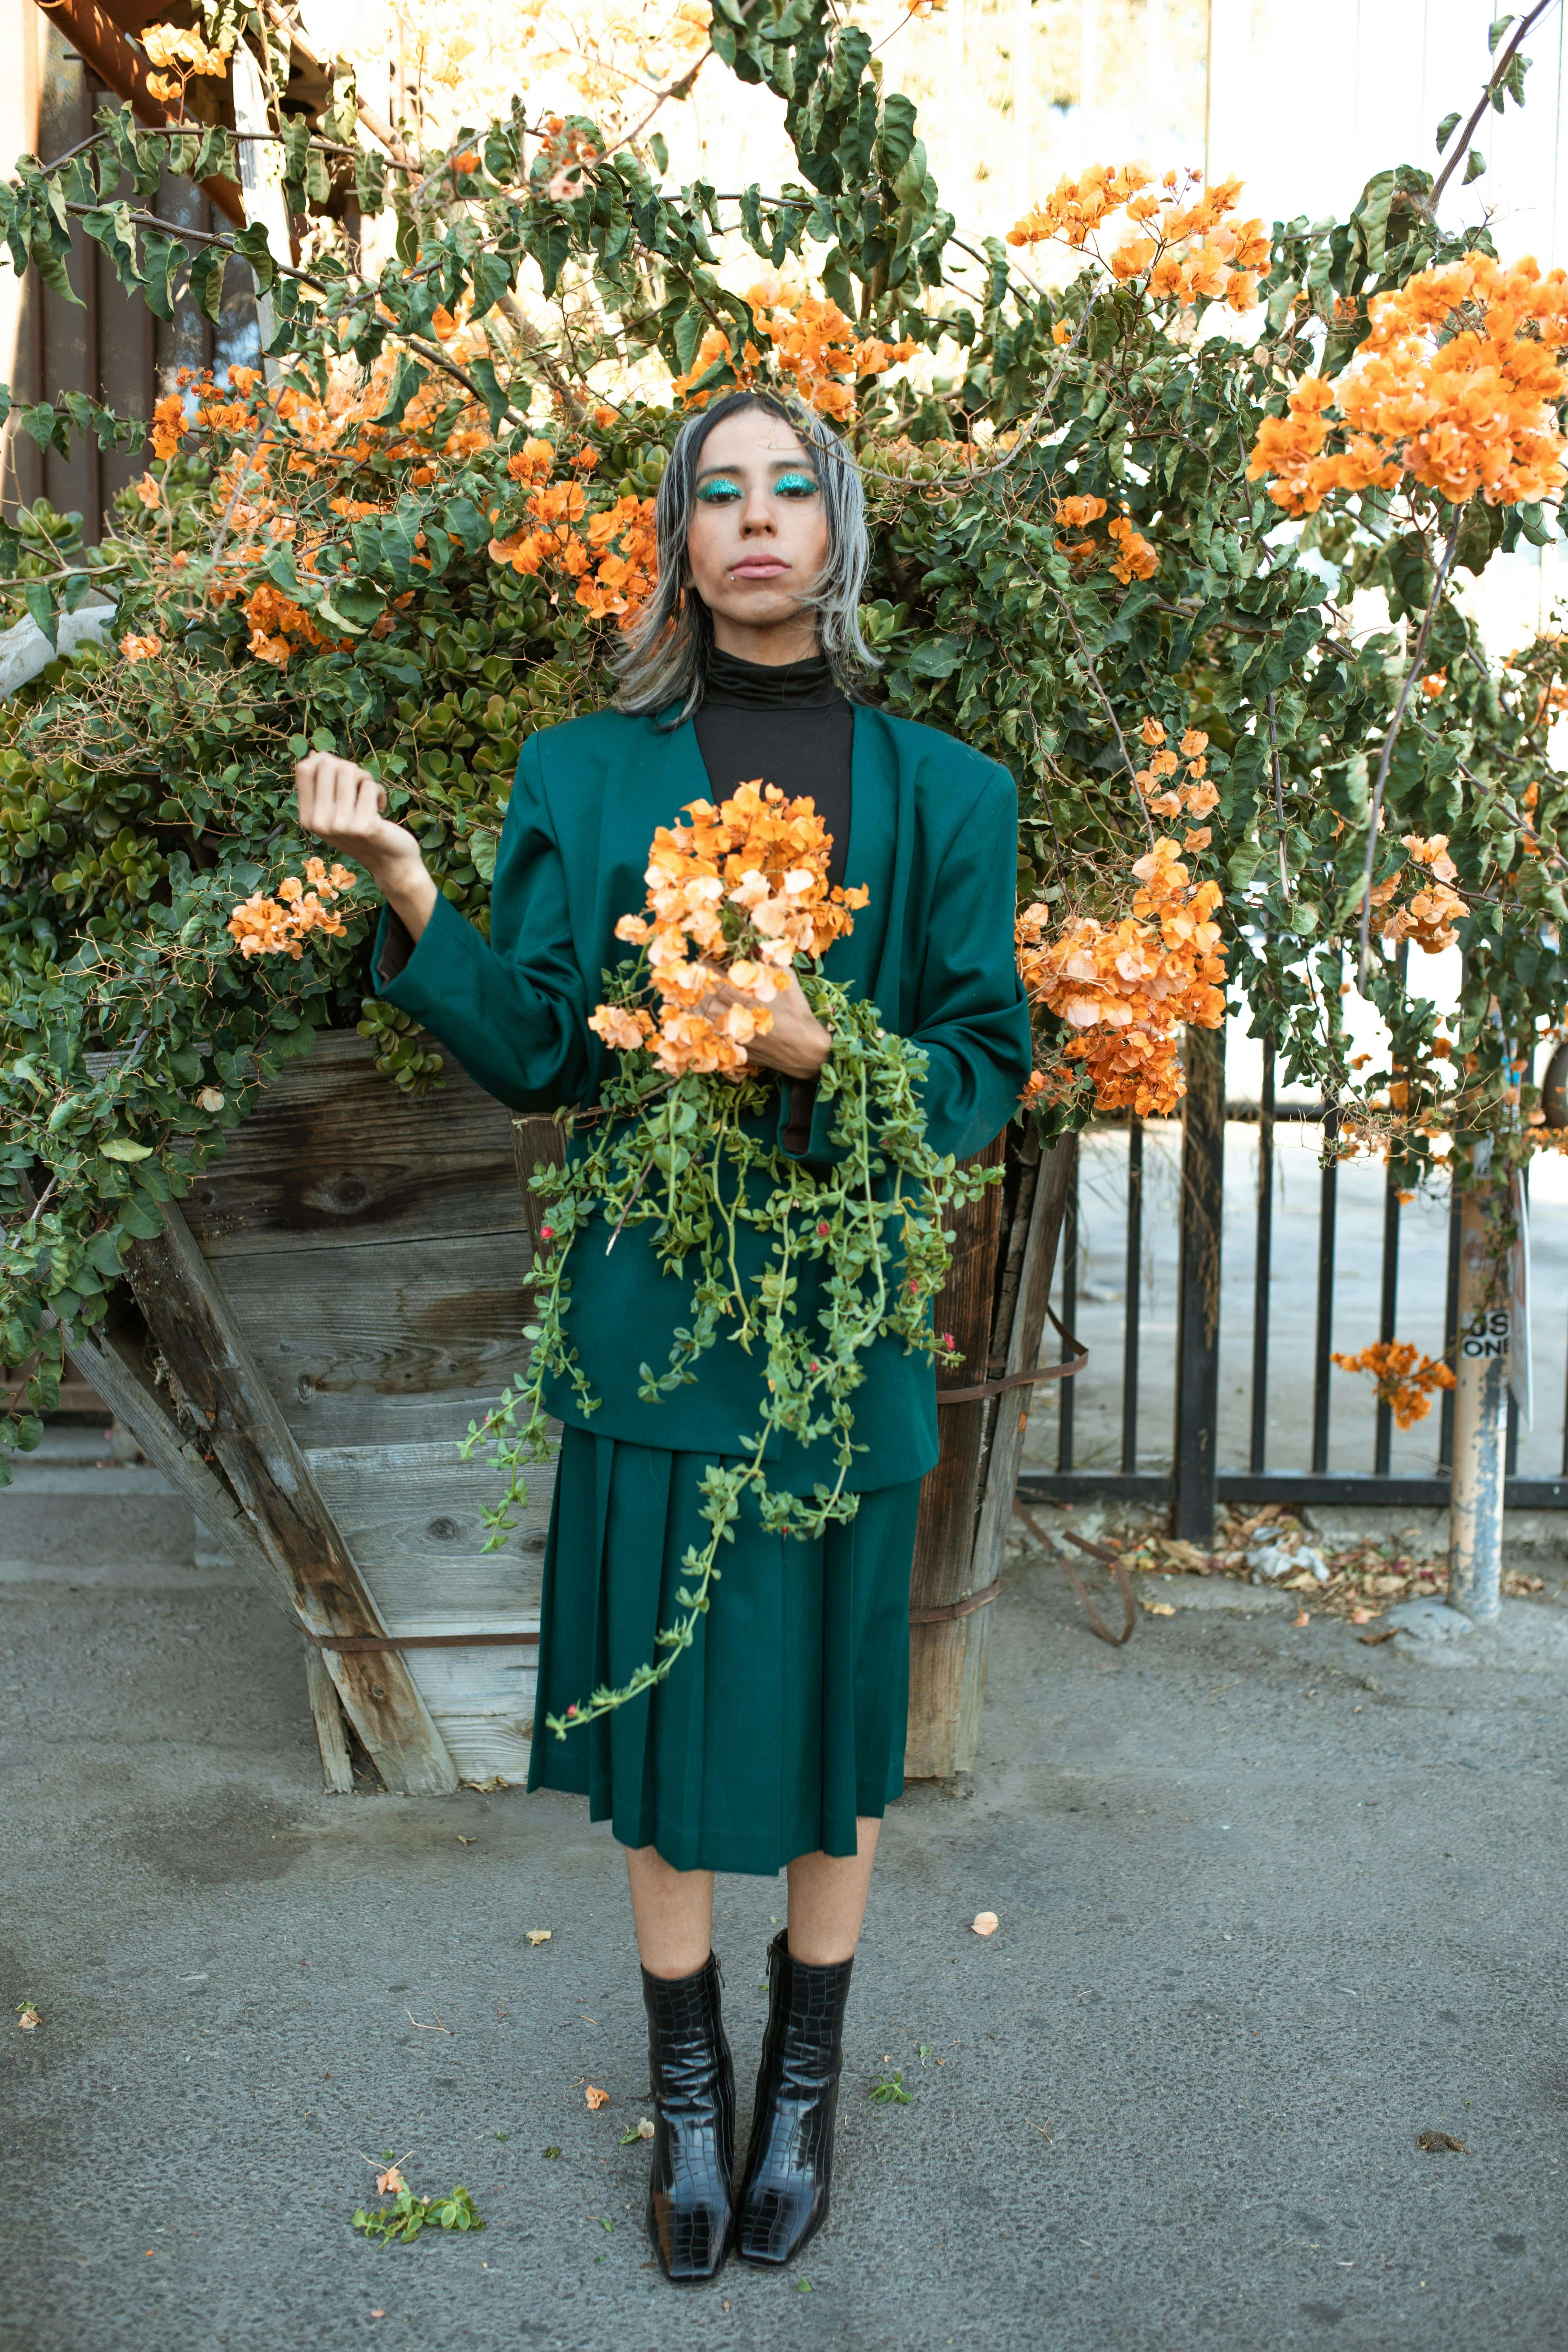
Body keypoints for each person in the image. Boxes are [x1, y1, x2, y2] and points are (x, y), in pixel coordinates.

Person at [294, 389, 1031, 2283]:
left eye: (793, 488)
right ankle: (690, 2097)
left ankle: (805, 2083)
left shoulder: (949, 792)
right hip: (650, 1314)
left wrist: (823, 1051)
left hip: (839, 1326)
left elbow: (977, 1071)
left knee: (828, 1724)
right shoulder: (585, 773)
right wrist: (410, 896)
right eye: (721, 492)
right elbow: (547, 1044)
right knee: (663, 1717)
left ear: (837, 532)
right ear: (680, 541)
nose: (758, 520)